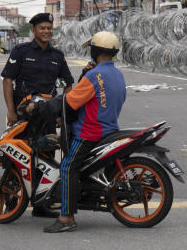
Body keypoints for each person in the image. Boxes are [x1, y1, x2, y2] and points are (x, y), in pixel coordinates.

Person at [41, 31, 125, 234]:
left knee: (68, 167)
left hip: (90, 132)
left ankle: (67, 217)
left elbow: (69, 101)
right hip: (110, 128)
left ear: (96, 51)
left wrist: (41, 108)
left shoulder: (94, 75)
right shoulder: (117, 73)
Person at [0, 12, 74, 218]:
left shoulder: (57, 56)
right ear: (33, 31)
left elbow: (68, 84)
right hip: (22, 116)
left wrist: (63, 112)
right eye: (42, 28)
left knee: (46, 157)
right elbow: (7, 80)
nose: (46, 31)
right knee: (14, 157)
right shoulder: (21, 51)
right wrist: (10, 110)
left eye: (49, 28)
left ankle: (41, 205)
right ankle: (11, 202)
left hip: (47, 117)